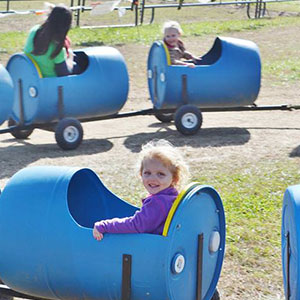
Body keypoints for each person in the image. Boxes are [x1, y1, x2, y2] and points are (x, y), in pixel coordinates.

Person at [93, 139, 190, 241]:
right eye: (147, 173)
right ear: (141, 174)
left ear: (174, 178)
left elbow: (137, 225)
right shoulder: (172, 197)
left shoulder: (158, 202)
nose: (152, 178)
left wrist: (104, 225)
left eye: (160, 174)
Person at [24, 5, 78, 78]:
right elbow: (64, 74)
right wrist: (70, 57)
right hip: (51, 83)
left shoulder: (34, 30)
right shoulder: (57, 48)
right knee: (77, 67)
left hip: (31, 76)